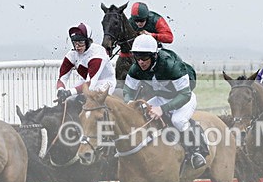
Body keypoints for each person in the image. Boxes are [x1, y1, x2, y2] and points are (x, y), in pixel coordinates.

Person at [123, 34, 207, 169]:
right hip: (162, 97)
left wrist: (162, 109)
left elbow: (185, 94)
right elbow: (128, 92)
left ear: (154, 56)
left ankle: (195, 152)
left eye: (144, 57)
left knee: (178, 120)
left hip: (183, 98)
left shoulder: (171, 65)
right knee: (140, 114)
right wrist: (130, 103)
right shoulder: (136, 68)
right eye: (137, 57)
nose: (141, 62)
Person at [56, 23, 116, 102]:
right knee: (68, 101)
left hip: (104, 82)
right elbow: (62, 78)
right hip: (85, 82)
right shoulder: (72, 54)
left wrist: (69, 92)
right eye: (75, 43)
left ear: (88, 41)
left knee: (91, 103)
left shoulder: (97, 53)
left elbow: (90, 84)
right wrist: (61, 90)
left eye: (81, 42)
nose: (77, 46)